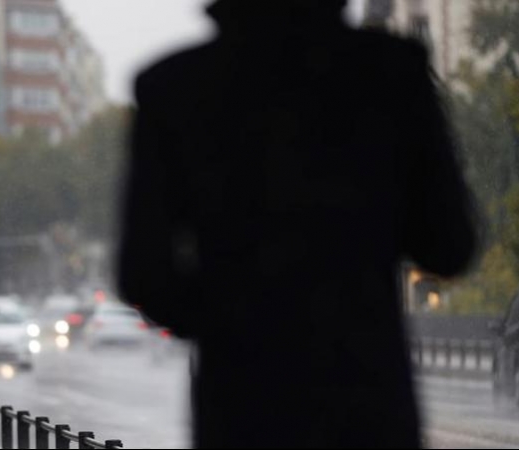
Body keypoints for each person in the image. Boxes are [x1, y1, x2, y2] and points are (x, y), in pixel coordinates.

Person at [118, 0, 477, 448]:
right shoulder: (392, 74)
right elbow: (449, 245)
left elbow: (143, 273)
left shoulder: (172, 90)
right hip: (367, 402)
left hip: (241, 407)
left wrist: (228, 320)